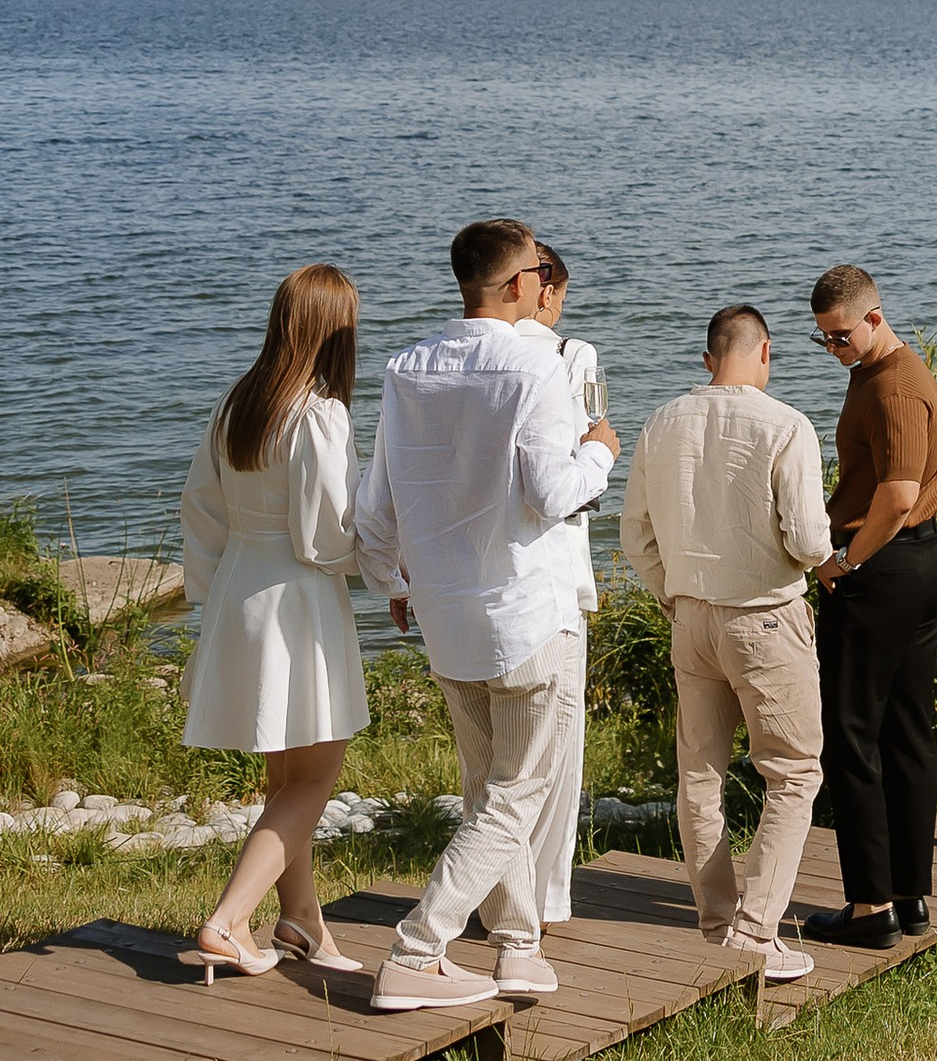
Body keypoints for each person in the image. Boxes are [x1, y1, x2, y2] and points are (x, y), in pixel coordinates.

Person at [354, 218, 619, 1011]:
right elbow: (553, 493)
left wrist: (392, 586)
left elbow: (376, 511)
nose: (547, 282)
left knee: (488, 792)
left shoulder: (406, 370)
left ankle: (516, 946)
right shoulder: (537, 369)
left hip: (445, 616)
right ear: (515, 284)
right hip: (529, 616)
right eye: (541, 269)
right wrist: (602, 449)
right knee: (518, 794)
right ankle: (418, 947)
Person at [619, 301, 830, 983]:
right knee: (794, 772)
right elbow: (804, 538)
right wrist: (824, 559)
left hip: (692, 618)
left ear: (711, 358)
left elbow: (635, 532)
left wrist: (671, 590)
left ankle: (716, 923)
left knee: (700, 777)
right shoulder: (786, 426)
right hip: (764, 619)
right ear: (765, 352)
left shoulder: (662, 421)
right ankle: (754, 931)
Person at [176, 262, 371, 981]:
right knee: (314, 779)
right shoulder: (320, 412)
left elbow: (199, 506)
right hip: (298, 600)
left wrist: (214, 590)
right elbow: (324, 536)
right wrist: (385, 563)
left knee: (285, 778)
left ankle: (300, 922)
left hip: (240, 592)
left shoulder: (239, 403)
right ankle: (228, 922)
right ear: (332, 333)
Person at [804, 262, 937, 947]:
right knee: (904, 731)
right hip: (914, 564)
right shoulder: (878, 374)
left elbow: (895, 495)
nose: (833, 349)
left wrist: (843, 562)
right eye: (822, 340)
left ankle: (870, 911)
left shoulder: (894, 386)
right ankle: (908, 895)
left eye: (839, 337)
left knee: (852, 733)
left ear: (874, 316)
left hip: (883, 567)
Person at [526, 241, 604, 938]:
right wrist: (603, 448)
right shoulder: (572, 355)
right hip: (556, 576)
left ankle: (503, 894)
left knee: (493, 762)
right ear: (545, 293)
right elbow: (574, 469)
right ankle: (545, 900)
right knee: (556, 749)